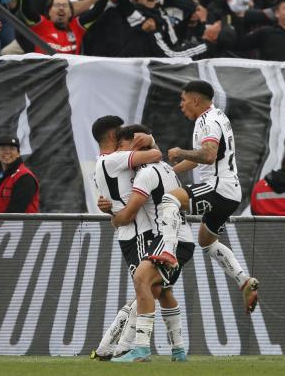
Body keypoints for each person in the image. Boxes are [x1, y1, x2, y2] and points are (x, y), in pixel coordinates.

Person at [148, 80, 261, 314]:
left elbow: (208, 156)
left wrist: (179, 152)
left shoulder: (207, 120)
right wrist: (170, 170)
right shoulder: (218, 116)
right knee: (207, 243)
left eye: (183, 99)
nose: (181, 105)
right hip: (230, 191)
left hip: (218, 188)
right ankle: (243, 280)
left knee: (169, 200)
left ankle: (168, 250)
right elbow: (205, 156)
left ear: (195, 100)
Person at [107, 124, 195, 363]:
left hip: (169, 240)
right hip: (182, 238)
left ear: (135, 146)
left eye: (122, 145)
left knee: (141, 280)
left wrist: (112, 215)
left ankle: (141, 350)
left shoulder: (146, 174)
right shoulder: (165, 168)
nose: (120, 152)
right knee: (163, 291)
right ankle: (178, 350)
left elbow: (128, 215)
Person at [88, 116, 165, 361]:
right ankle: (122, 346)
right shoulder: (115, 159)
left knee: (148, 288)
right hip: (138, 231)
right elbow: (155, 155)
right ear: (112, 137)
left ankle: (107, 347)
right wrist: (150, 140)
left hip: (127, 232)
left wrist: (108, 209)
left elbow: (107, 201)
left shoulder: (100, 165)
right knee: (148, 288)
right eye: (121, 133)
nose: (128, 137)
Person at [0, 136, 40, 213]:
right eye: (2, 149)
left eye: (12, 149)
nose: (7, 152)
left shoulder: (25, 177)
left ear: (18, 154)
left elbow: (15, 212)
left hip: (21, 224)